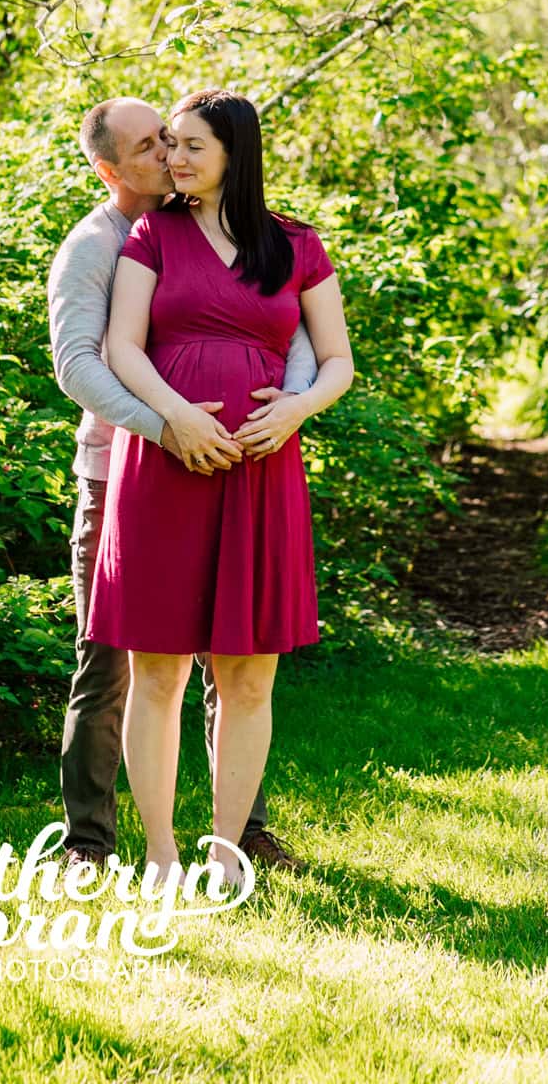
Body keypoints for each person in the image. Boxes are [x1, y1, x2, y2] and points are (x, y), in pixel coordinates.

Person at [84, 88, 354, 892]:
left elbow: (336, 359)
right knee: (157, 669)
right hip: (165, 467)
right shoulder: (150, 234)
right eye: (169, 145)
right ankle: (161, 853)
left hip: (262, 472)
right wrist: (175, 420)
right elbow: (122, 349)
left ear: (237, 154)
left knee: (248, 672)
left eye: (192, 146)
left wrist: (296, 410)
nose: (174, 159)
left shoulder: (296, 245)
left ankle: (228, 849)